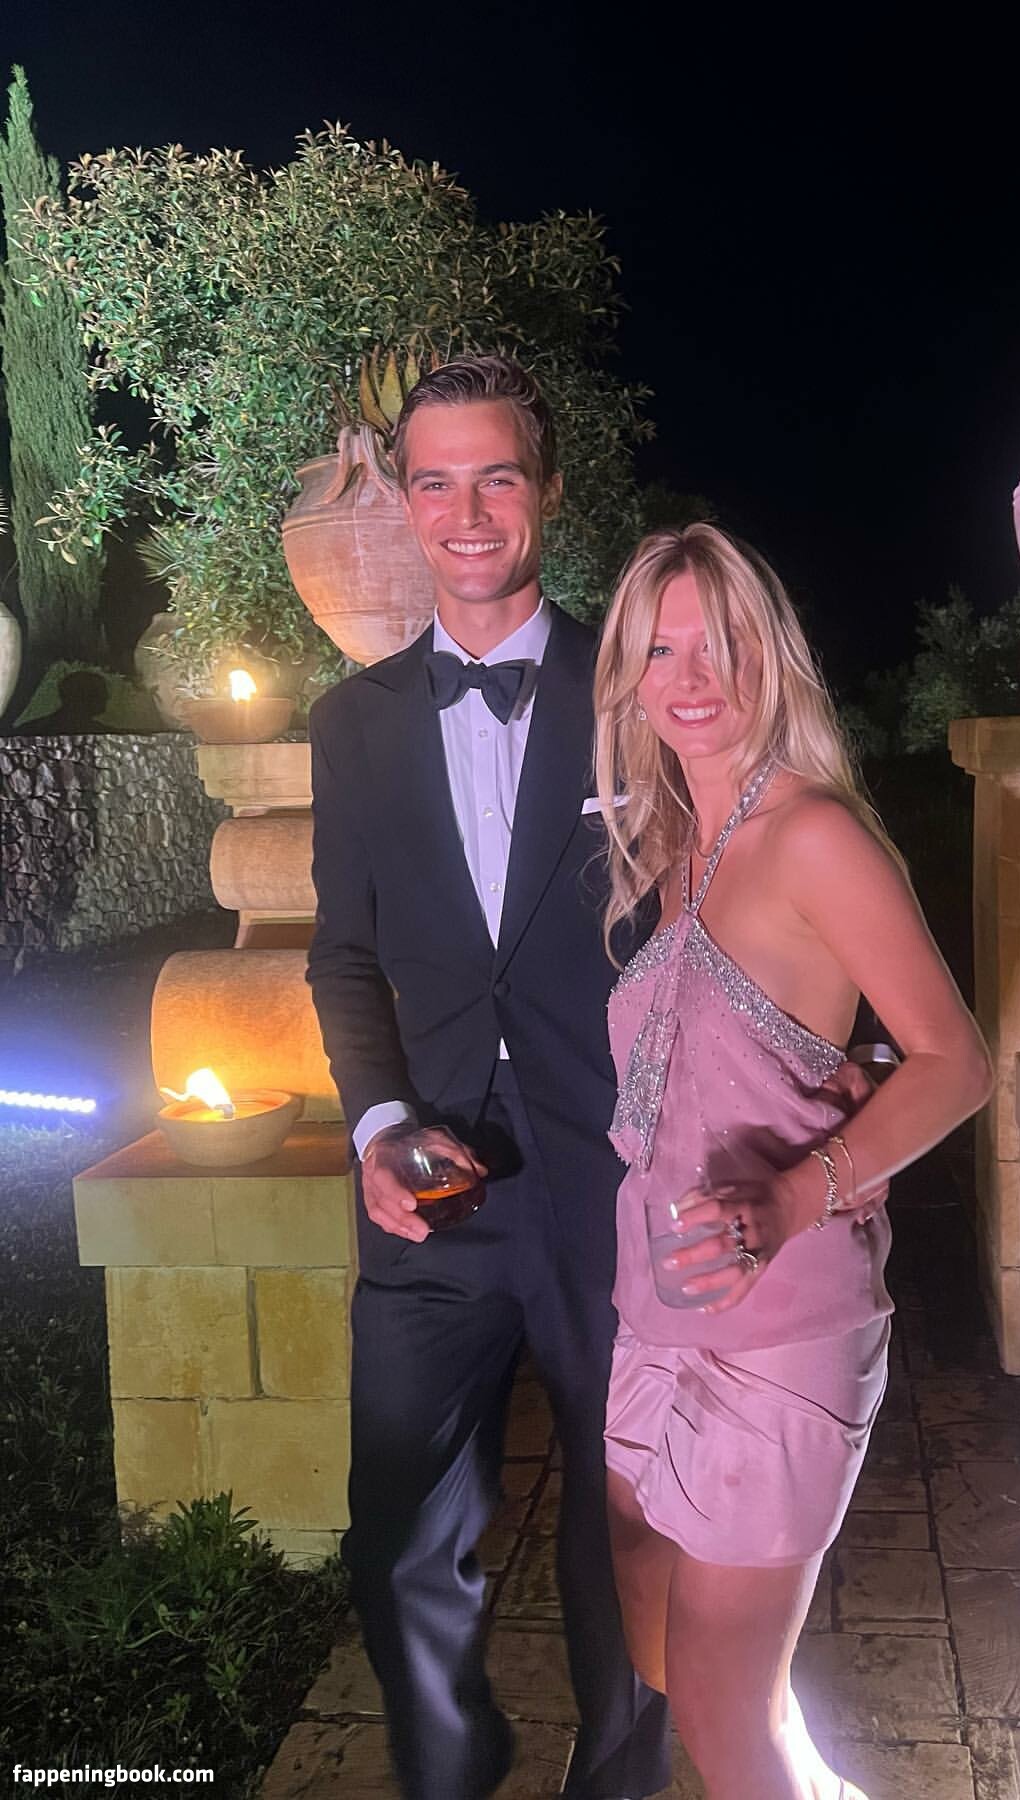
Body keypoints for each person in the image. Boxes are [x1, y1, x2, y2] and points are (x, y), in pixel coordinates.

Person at [306, 355, 671, 1800]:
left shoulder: (638, 695)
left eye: (497, 476)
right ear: (404, 502)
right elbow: (344, 955)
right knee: (398, 1524)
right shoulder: (351, 725)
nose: (466, 513)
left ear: (549, 491)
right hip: (431, 1178)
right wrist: (379, 1123)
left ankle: (618, 1777)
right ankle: (448, 1772)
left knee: (625, 1517)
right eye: (437, 482)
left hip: (616, 1172)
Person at [592, 523, 994, 1800]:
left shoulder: (813, 834)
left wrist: (796, 1189)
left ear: (771, 658)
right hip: (658, 1302)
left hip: (780, 1326)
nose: (691, 677)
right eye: (661, 649)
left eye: (720, 644)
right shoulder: (676, 842)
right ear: (628, 676)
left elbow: (956, 1061)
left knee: (727, 1723)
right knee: (648, 1606)